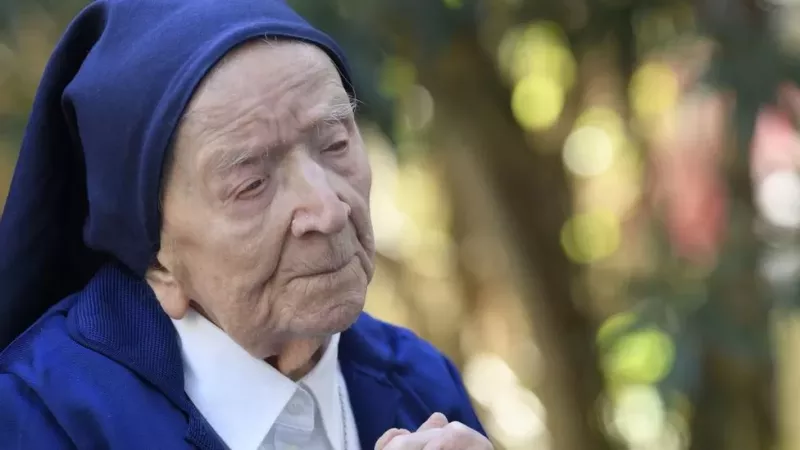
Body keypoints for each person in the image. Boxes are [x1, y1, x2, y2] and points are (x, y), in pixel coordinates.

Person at [0, 0, 493, 449]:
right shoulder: (39, 419)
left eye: (336, 145)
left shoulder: (420, 383)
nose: (329, 209)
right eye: (252, 183)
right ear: (156, 260)